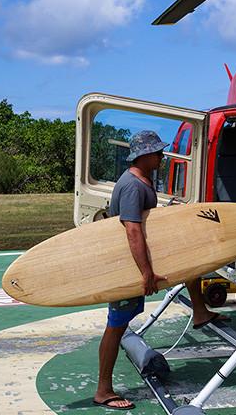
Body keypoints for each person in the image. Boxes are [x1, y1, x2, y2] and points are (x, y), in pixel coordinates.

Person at [93, 130, 228, 410]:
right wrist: (146, 273)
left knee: (189, 260)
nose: (162, 156)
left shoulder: (142, 179)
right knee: (116, 325)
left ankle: (200, 312)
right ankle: (103, 390)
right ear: (143, 156)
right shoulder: (131, 185)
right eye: (157, 152)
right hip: (130, 266)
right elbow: (132, 230)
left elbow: (145, 221)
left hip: (144, 260)